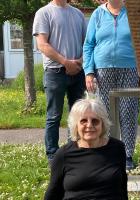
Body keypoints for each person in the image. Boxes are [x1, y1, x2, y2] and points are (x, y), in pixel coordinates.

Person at [83, 0, 139, 170]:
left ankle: (127, 154)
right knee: (105, 114)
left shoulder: (132, 12)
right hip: (103, 71)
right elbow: (88, 45)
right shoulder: (98, 14)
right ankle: (107, 151)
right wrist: (89, 72)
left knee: (128, 112)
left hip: (129, 69)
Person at [33, 0, 87, 162]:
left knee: (77, 114)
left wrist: (81, 61)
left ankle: (74, 151)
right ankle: (53, 156)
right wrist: (65, 62)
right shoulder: (43, 13)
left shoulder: (78, 14)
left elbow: (87, 43)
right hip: (55, 72)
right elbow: (42, 44)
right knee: (53, 116)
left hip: (78, 72)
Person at [45, 97, 128, 199]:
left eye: (95, 121)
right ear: (76, 125)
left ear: (103, 124)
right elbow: (53, 193)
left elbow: (122, 188)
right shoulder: (63, 154)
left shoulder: (117, 148)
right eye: (83, 121)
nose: (89, 125)